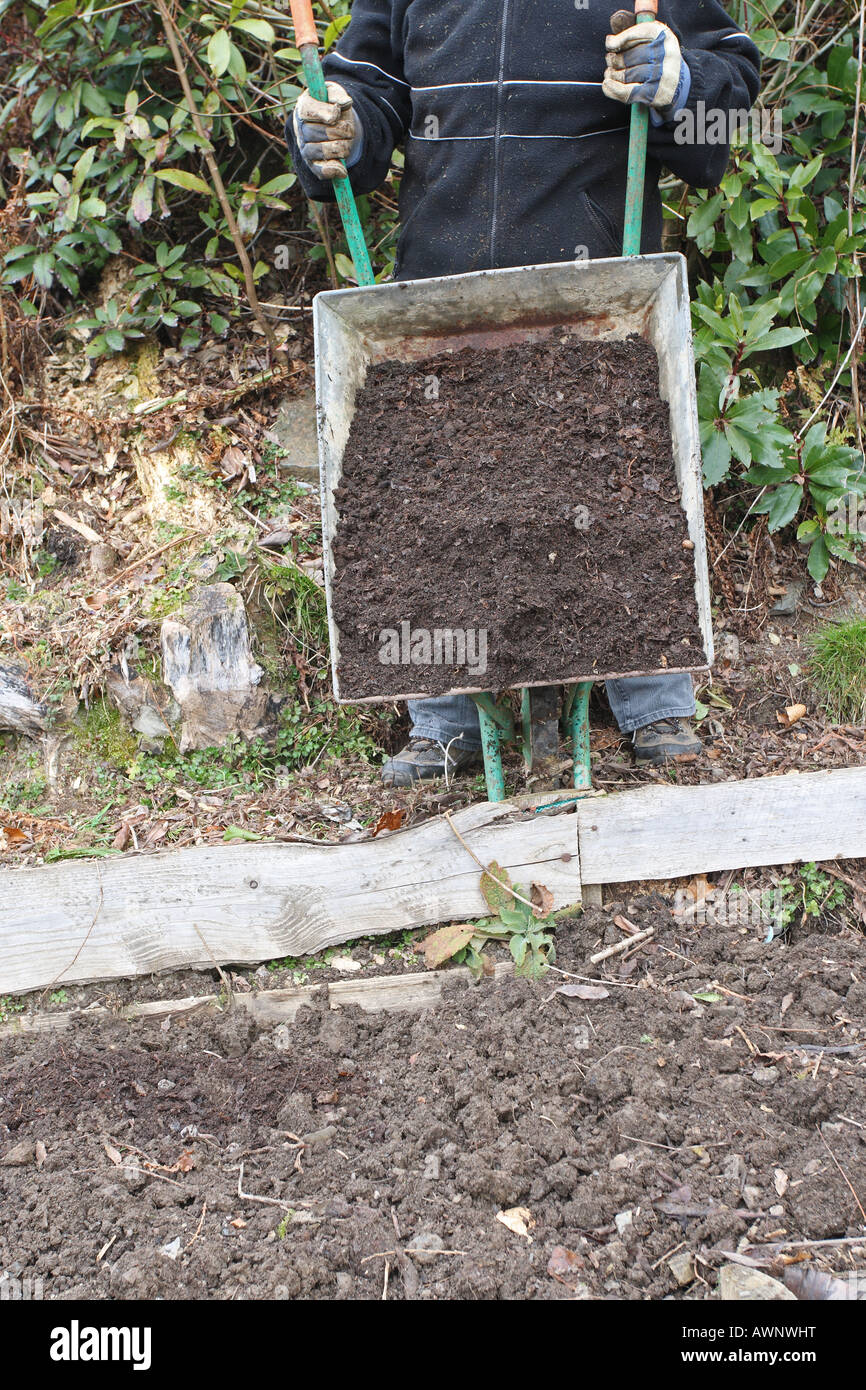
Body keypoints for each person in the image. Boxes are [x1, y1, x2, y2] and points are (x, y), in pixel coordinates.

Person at [287, 1, 760, 786]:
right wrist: (339, 126)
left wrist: (680, 80)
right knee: (437, 506)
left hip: (602, 293)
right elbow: (365, 92)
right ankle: (444, 713)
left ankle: (653, 697)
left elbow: (730, 102)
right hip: (438, 299)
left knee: (619, 484)